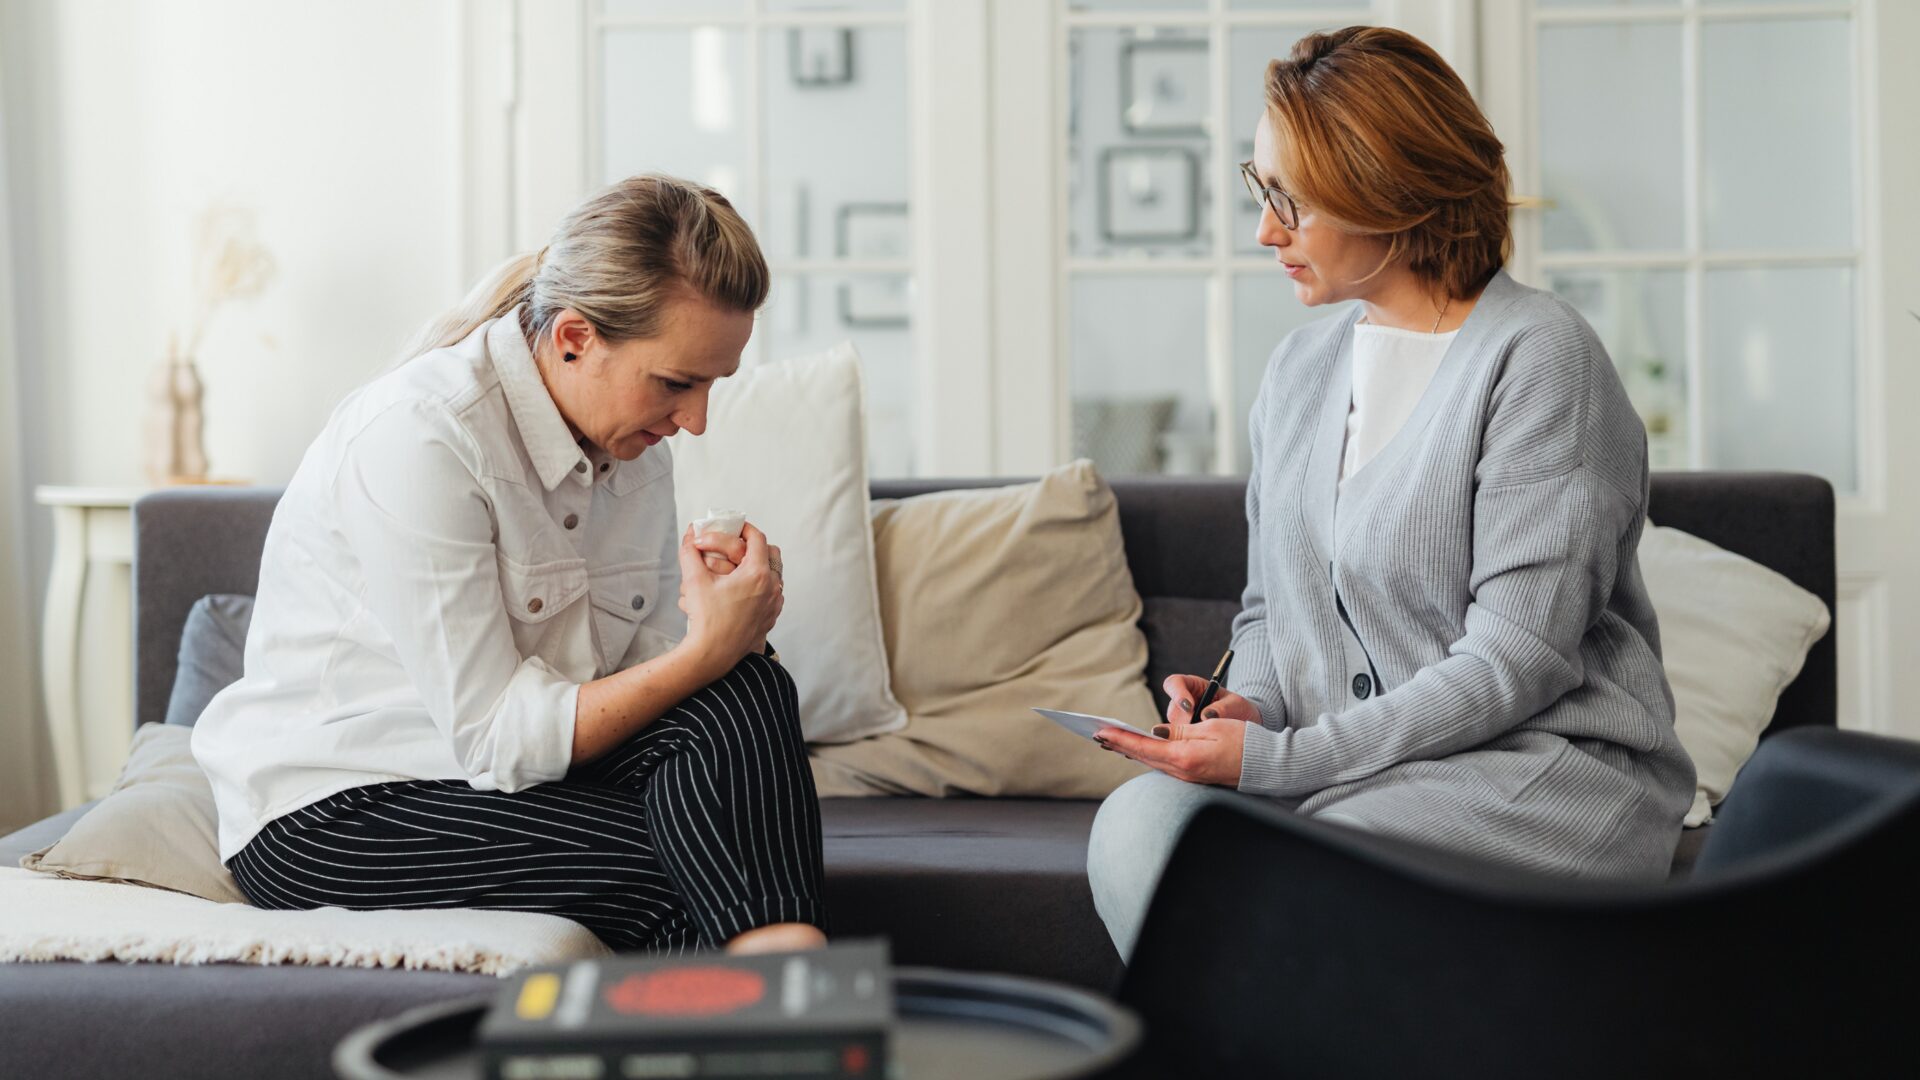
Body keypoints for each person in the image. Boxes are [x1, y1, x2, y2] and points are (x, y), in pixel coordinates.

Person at [1087, 27, 1696, 960]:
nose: (1265, 231)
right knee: (1140, 824)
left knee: (1303, 860)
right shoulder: (1297, 370)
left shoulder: (1539, 357)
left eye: (1290, 199)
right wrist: (1243, 707)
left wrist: (1281, 763)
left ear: (1389, 191)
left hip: (1530, 779)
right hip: (1359, 779)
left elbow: (1516, 661)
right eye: (1261, 191)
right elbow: (1266, 613)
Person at [192, 175, 828, 956]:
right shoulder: (421, 436)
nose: (694, 421)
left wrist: (732, 625)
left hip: (508, 780)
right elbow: (496, 736)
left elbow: (655, 680)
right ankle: (794, 1004)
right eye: (676, 382)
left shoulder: (633, 448)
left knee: (750, 685)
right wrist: (706, 651)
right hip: (337, 802)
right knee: (682, 866)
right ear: (572, 339)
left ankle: (789, 989)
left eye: (712, 386)